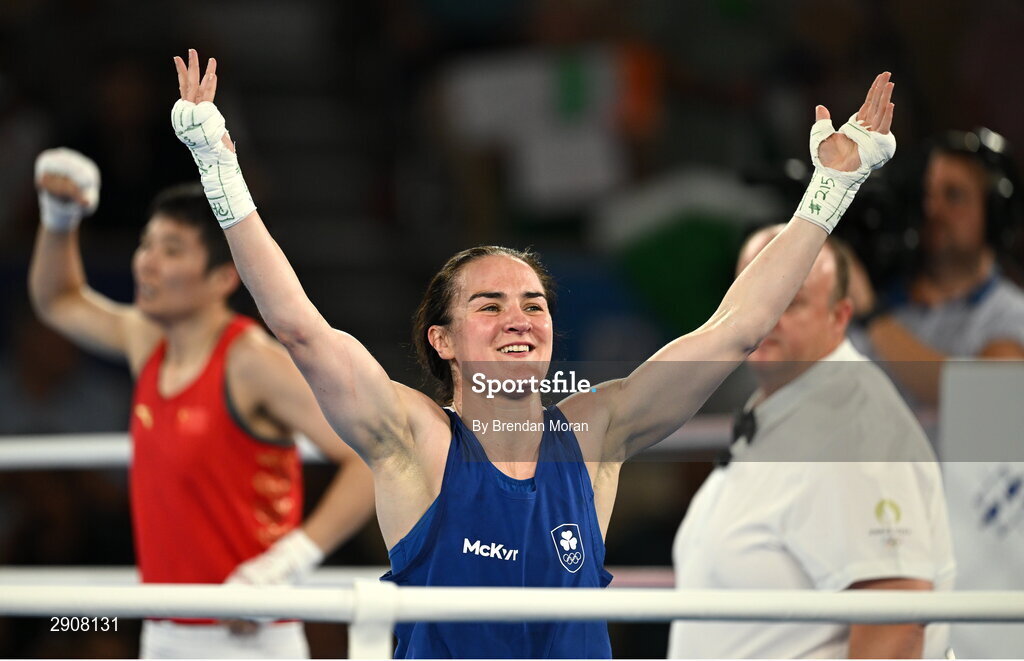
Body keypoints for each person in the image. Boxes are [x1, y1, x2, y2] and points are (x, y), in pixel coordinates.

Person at [170, 48, 896, 658]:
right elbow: (302, 329)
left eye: (534, 304)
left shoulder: (594, 431)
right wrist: (220, 174)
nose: (518, 319)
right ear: (443, 341)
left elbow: (732, 331)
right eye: (489, 305)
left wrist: (831, 188)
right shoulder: (414, 440)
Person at [28, 152, 375, 659]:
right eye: (146, 243)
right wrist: (60, 218)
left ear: (221, 278)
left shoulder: (251, 362)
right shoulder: (146, 341)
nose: (147, 261)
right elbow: (57, 300)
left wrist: (284, 565)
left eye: (171, 249)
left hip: (252, 637)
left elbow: (370, 456)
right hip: (163, 629)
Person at [668, 226, 956, 659]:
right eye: (754, 297)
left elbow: (896, 623)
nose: (765, 316)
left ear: (839, 316)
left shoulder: (857, 427)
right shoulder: (787, 407)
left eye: (791, 301)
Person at [850, 131, 1024, 404]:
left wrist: (872, 317)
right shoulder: (886, 293)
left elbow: (981, 396)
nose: (932, 209)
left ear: (994, 215)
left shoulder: (1011, 315)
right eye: (928, 193)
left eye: (953, 195)